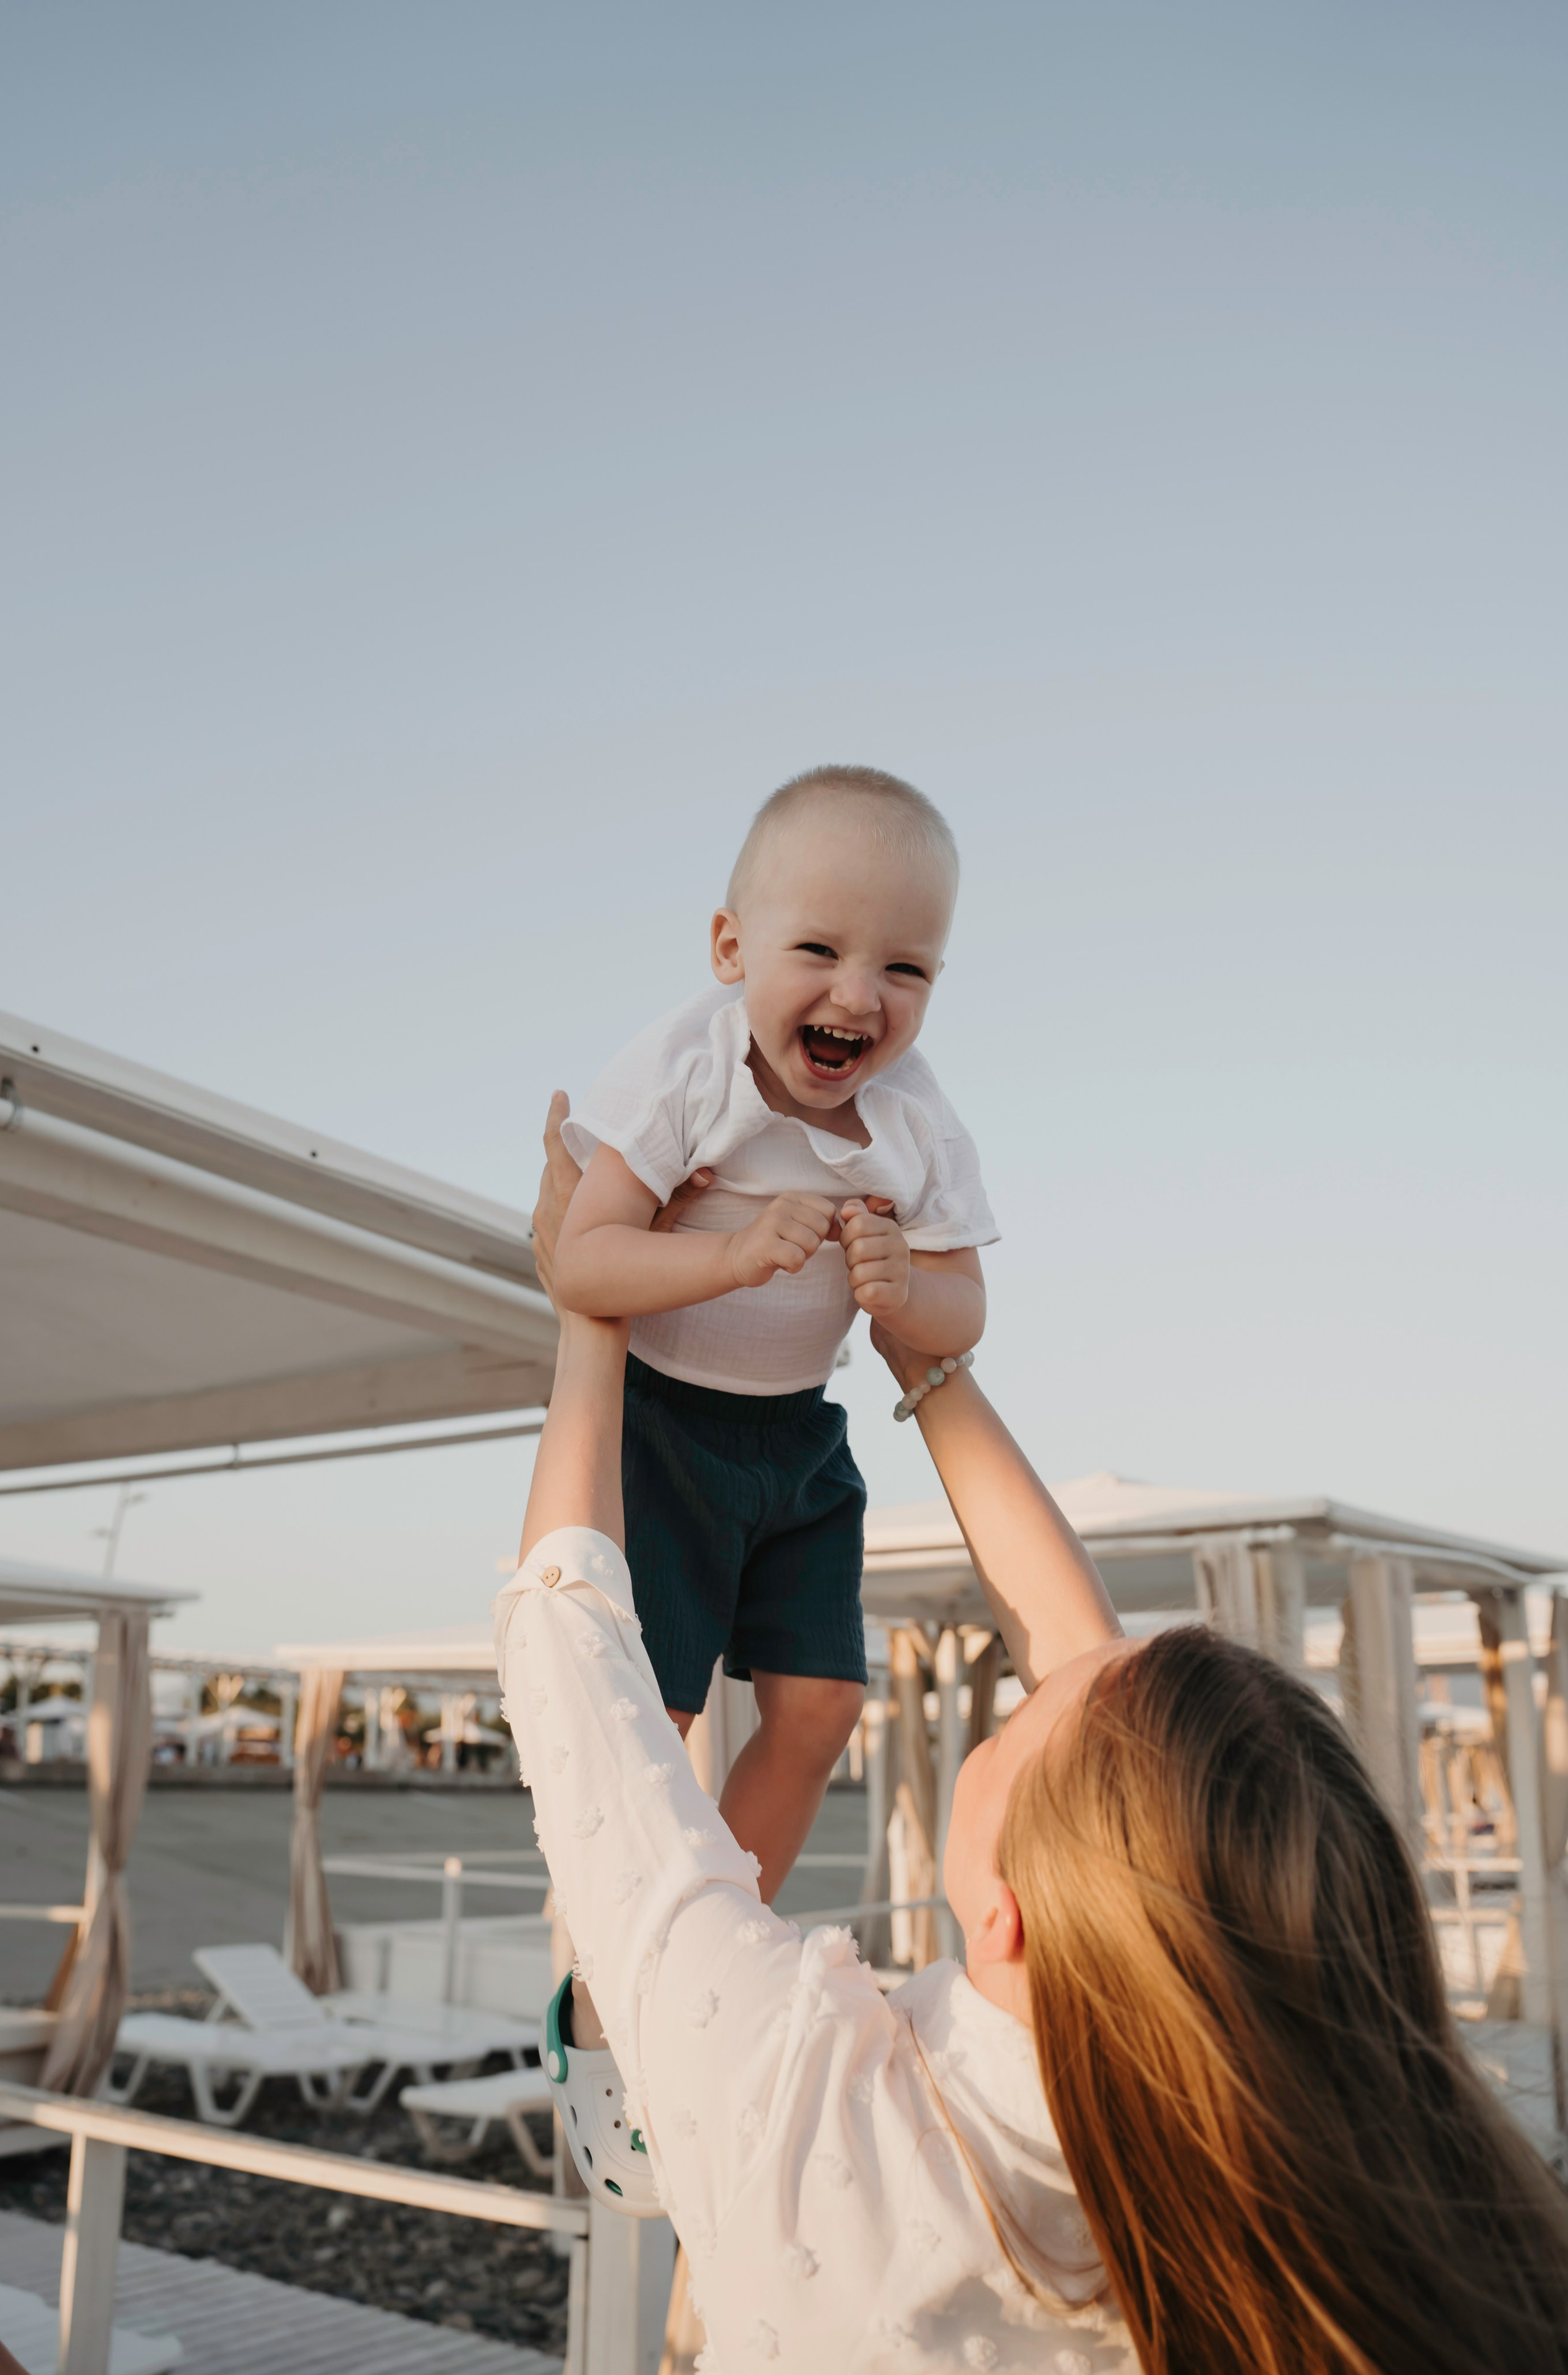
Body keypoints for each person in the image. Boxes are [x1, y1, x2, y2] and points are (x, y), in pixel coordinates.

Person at [500, 1100, 1568, 2375]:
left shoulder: (802, 2093)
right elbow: (1091, 1703)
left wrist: (592, 1306)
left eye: (1023, 1714)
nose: (1052, 1664)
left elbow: (574, 1655)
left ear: (1005, 1912)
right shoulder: (1316, 2204)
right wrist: (923, 1356)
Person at [552, 764, 995, 1899]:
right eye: (820, 950)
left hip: (799, 1438)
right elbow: (584, 1259)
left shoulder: (918, 1121)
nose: (860, 993)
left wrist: (903, 1286)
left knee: (825, 1703)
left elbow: (966, 1310)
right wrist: (732, 1255)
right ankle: (623, 1958)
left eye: (904, 968)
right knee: (657, 1716)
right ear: (730, 948)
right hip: (662, 1426)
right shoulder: (688, 1071)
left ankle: (732, 1929)